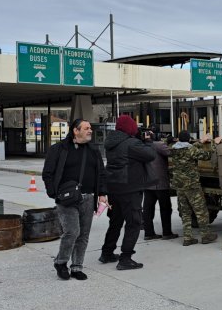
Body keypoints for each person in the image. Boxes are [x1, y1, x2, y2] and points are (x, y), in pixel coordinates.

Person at [42, 118, 107, 280]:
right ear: (75, 131)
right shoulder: (59, 149)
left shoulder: (93, 151)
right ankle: (61, 262)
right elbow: (47, 173)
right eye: (86, 128)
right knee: (72, 231)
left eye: (90, 128)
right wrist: (53, 193)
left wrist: (102, 194)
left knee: (84, 234)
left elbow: (101, 174)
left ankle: (77, 266)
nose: (90, 130)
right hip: (67, 199)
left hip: (88, 197)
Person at [101, 115, 157, 270]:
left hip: (114, 187)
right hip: (129, 188)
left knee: (116, 221)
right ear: (130, 128)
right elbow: (150, 155)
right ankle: (125, 258)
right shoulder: (132, 143)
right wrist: (147, 141)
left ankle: (107, 252)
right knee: (133, 222)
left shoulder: (111, 142)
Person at [170, 130, 218, 246]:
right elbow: (206, 156)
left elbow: (189, 148)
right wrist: (213, 144)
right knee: (201, 211)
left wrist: (200, 142)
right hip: (191, 185)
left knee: (186, 212)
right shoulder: (191, 150)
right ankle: (206, 235)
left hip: (179, 185)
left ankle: (188, 238)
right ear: (189, 139)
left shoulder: (173, 149)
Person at [142, 128, 178, 241]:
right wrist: (169, 143)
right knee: (166, 208)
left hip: (147, 183)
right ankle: (166, 232)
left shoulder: (141, 146)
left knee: (148, 209)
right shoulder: (158, 145)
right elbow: (170, 153)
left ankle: (148, 233)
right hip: (160, 183)